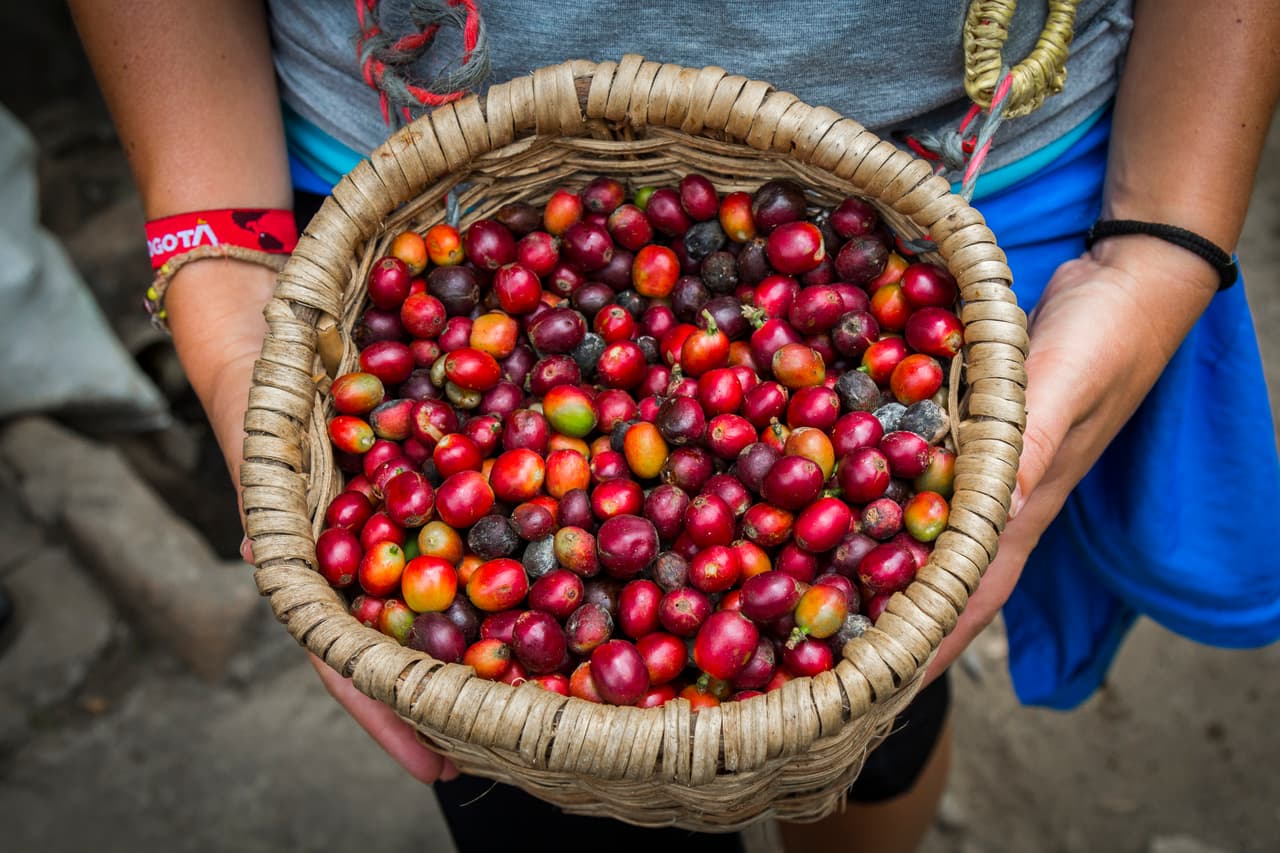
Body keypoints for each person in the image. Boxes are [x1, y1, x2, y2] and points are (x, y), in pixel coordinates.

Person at [69, 2, 1280, 851]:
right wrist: (221, 285)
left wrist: (1162, 236)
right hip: (398, 162)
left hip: (971, 181)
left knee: (876, 714)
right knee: (544, 798)